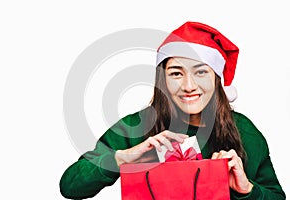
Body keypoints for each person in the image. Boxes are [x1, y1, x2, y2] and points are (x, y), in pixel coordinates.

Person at [59, 21, 286, 199]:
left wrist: (247, 189)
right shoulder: (135, 127)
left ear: (216, 79)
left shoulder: (243, 130)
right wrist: (123, 158)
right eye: (176, 73)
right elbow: (69, 186)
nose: (188, 86)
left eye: (201, 72)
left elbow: (276, 196)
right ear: (163, 80)